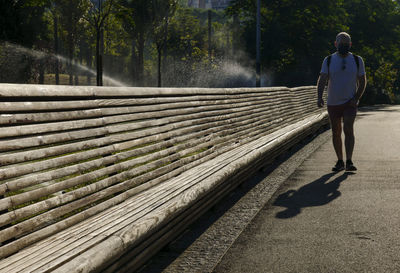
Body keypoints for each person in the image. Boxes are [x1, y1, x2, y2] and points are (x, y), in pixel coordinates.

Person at [317, 32, 367, 172]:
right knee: (336, 132)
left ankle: (349, 161)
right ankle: (340, 161)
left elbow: (363, 81)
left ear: (350, 45)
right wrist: (319, 96)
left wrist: (356, 98)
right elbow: (322, 79)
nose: (343, 46)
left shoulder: (357, 60)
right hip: (333, 102)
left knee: (348, 129)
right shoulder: (329, 60)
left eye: (346, 44)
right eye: (341, 43)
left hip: (349, 102)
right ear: (335, 44)